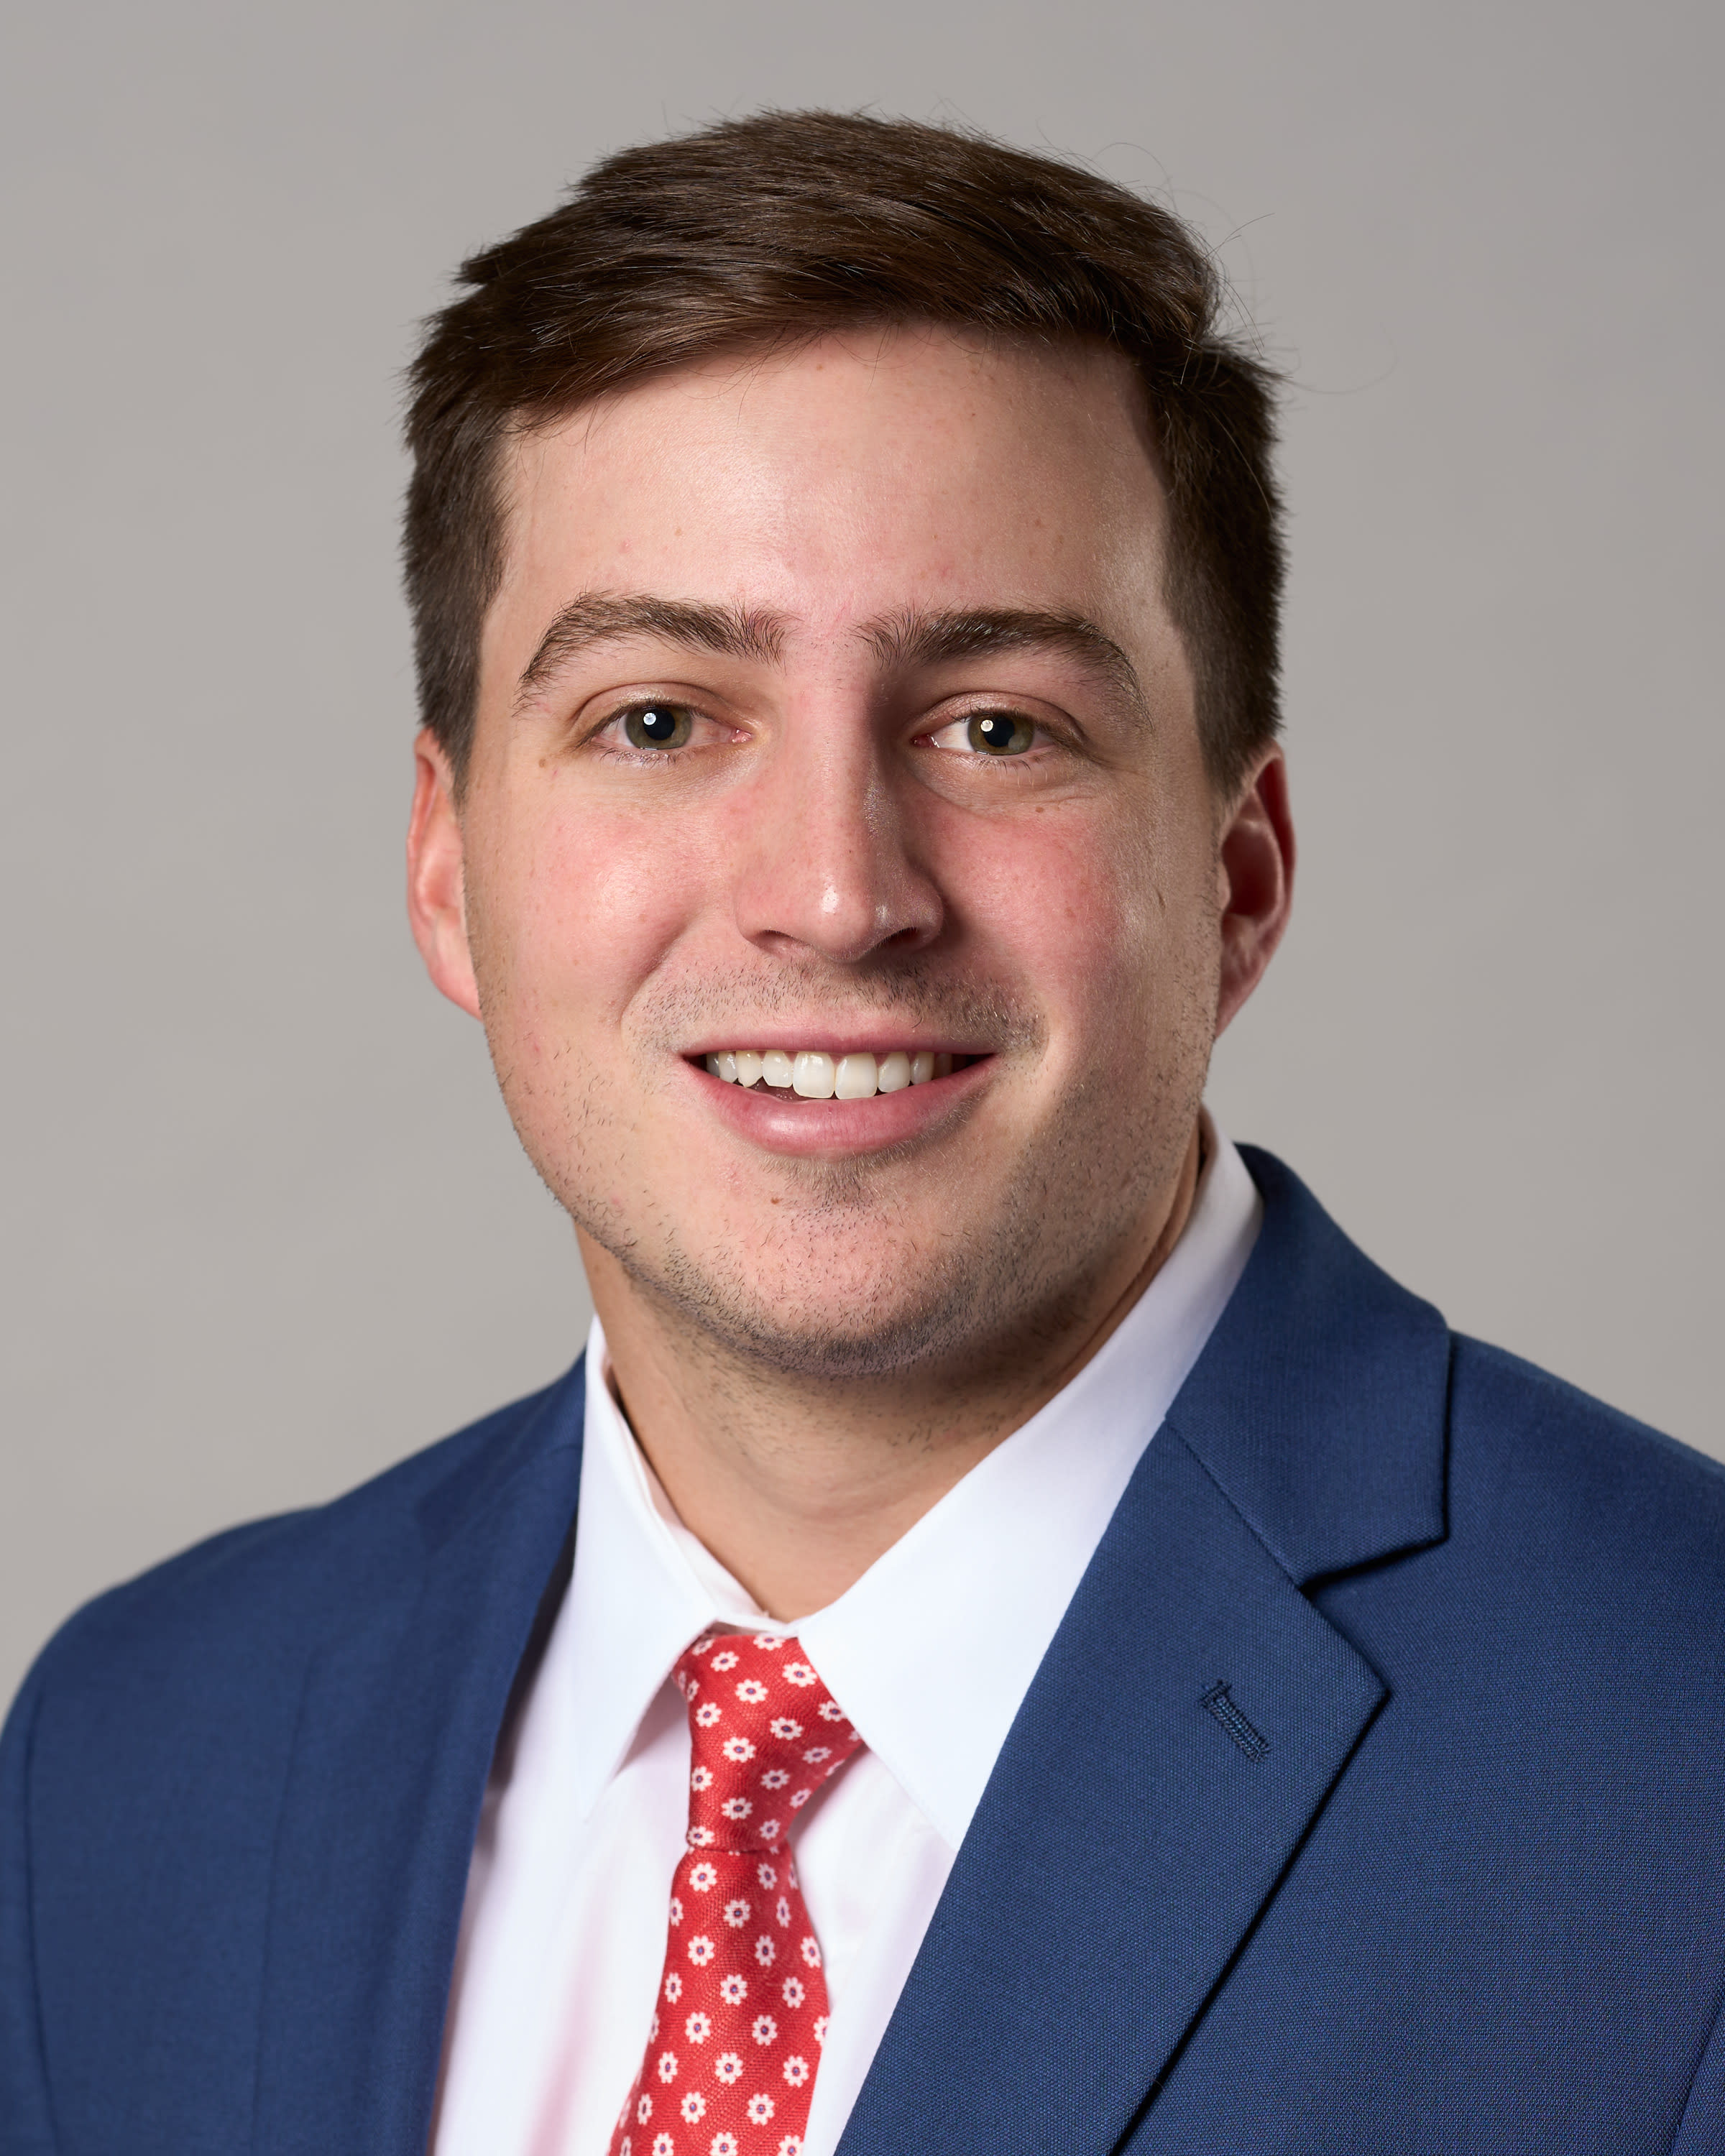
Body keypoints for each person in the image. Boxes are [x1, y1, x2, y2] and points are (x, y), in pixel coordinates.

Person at [4, 109, 1723, 2156]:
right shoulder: (133, 1765)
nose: (835, 895)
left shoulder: (1677, 1767)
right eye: (657, 720)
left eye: (998, 727)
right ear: (449, 870)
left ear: (1240, 876)